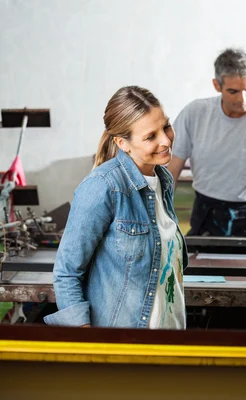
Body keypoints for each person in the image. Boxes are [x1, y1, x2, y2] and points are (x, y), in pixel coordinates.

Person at [44, 86, 187, 329]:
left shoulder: (163, 180)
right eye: (151, 136)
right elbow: (67, 273)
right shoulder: (103, 187)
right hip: (124, 343)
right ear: (123, 143)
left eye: (166, 126)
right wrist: (88, 339)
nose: (165, 139)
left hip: (170, 338)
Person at [168, 48, 246, 254]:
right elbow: (171, 171)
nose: (242, 98)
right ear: (217, 85)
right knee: (198, 280)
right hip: (205, 213)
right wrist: (159, 215)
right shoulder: (195, 113)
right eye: (233, 91)